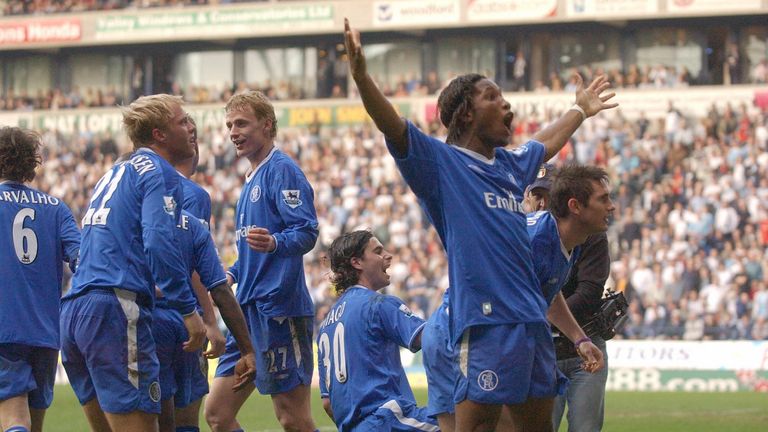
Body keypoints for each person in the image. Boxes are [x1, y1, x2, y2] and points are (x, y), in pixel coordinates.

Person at [344, 18, 617, 431]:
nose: (507, 105)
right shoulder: (441, 163)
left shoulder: (508, 166)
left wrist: (579, 110)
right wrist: (363, 78)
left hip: (531, 322)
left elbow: (546, 141)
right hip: (487, 323)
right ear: (466, 113)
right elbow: (393, 125)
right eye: (494, 97)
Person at [60, 94, 207, 432]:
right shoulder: (159, 171)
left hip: (75, 309)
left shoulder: (114, 172)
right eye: (183, 121)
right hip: (115, 307)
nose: (191, 127)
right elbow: (158, 242)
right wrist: (189, 310)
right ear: (159, 134)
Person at [205, 90, 319, 432]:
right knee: (217, 413)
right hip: (246, 313)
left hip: (279, 310)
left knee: (292, 417)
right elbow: (252, 251)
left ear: (267, 125)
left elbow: (307, 231)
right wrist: (232, 273)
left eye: (242, 123)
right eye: (229, 125)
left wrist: (275, 242)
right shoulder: (250, 178)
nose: (233, 132)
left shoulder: (282, 170)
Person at [150, 116, 256, 432]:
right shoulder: (193, 195)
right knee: (185, 418)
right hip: (181, 317)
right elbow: (193, 265)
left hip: (141, 313)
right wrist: (209, 320)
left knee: (154, 416)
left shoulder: (136, 182)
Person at [0, 127, 81, 432]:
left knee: (13, 418)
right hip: (46, 333)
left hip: (4, 329)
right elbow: (82, 260)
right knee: (32, 423)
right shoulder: (56, 208)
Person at [317, 230, 438, 431]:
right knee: (475, 421)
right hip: (387, 421)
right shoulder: (378, 304)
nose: (388, 255)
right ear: (357, 262)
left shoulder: (325, 326)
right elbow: (433, 340)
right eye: (378, 251)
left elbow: (328, 403)